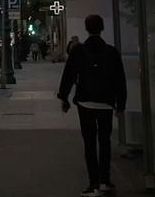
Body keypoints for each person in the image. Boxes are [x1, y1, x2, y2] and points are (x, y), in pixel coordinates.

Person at [57, 15, 126, 197]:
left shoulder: (78, 51)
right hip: (105, 103)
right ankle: (105, 181)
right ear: (102, 28)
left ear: (86, 28)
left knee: (89, 143)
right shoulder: (111, 52)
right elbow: (120, 80)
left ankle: (93, 184)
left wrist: (64, 98)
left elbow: (69, 76)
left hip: (85, 102)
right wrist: (121, 105)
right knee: (105, 142)